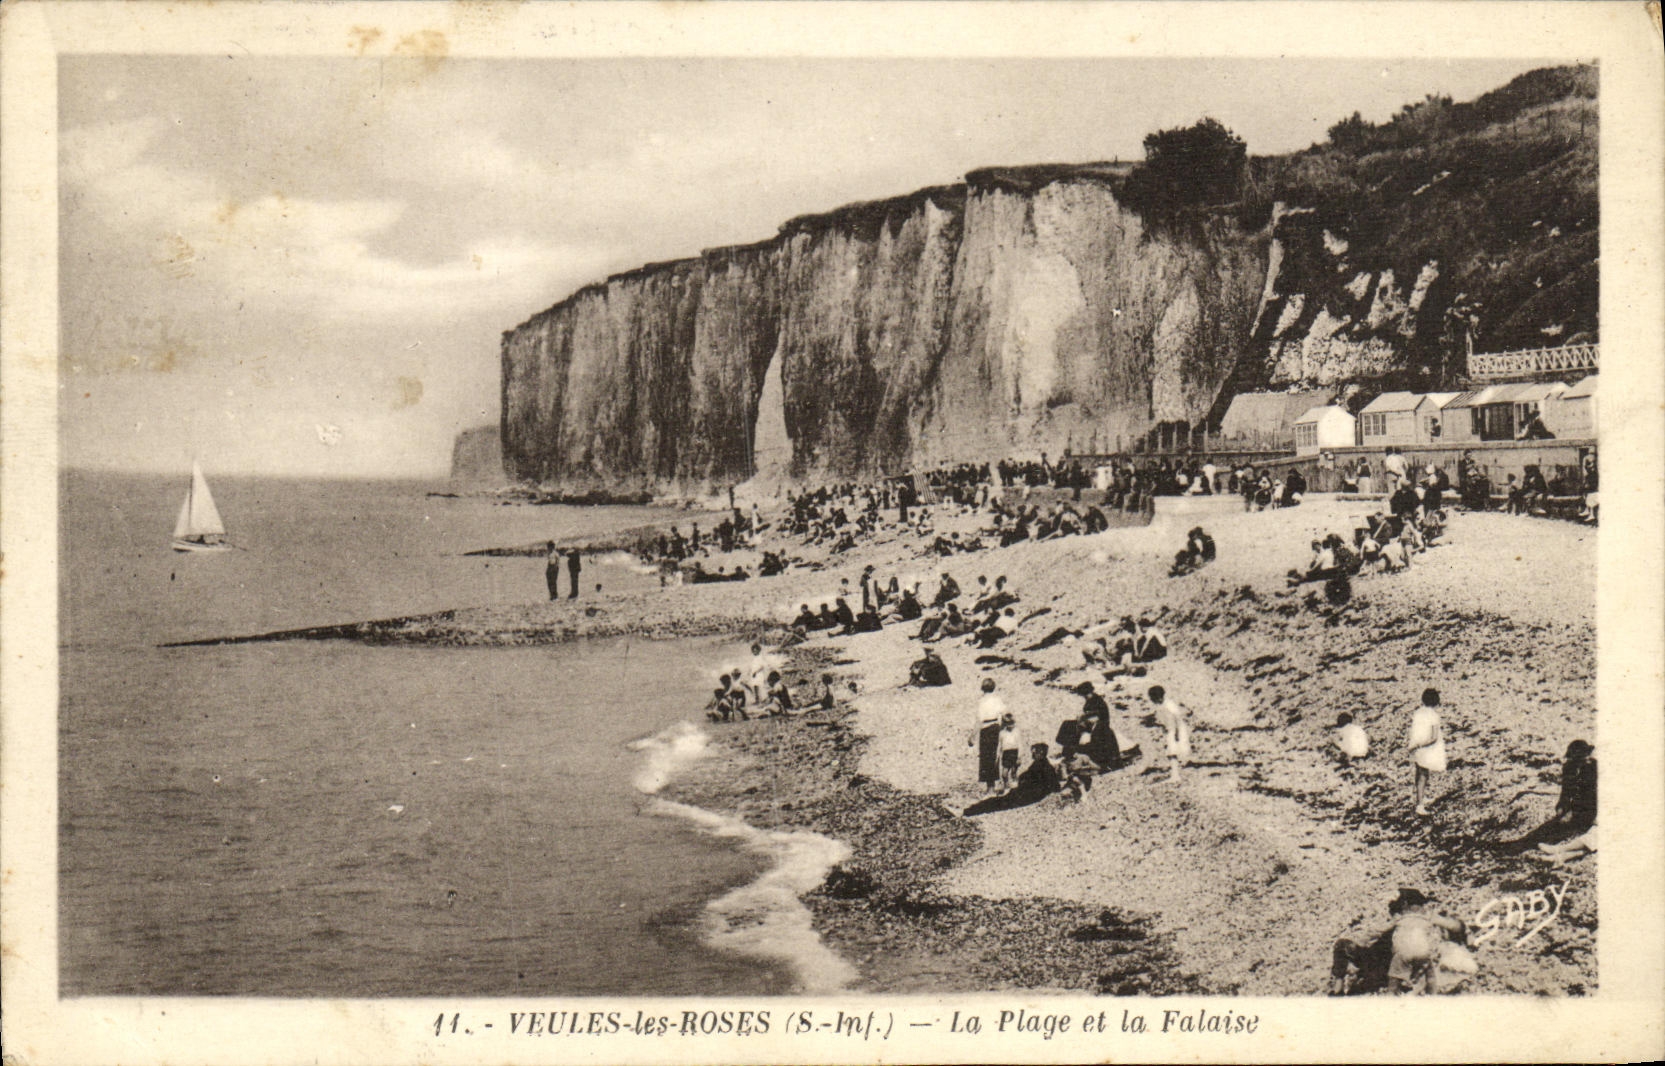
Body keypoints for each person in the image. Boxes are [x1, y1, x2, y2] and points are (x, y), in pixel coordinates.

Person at [1330, 888, 1471, 996]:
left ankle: (1338, 990)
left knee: (1342, 945)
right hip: (1408, 967)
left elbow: (1371, 935)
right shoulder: (1429, 917)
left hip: (1382, 967)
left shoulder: (1397, 919)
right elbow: (1455, 926)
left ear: (1405, 904)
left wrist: (1360, 942)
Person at [1504, 739, 1596, 853]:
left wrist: (1573, 813)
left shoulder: (1592, 769)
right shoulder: (1568, 768)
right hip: (1573, 810)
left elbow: (1590, 798)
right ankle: (1520, 844)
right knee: (1547, 828)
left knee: (1559, 831)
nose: (1586, 760)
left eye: (1586, 757)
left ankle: (1533, 846)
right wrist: (1561, 807)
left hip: (1588, 811)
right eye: (1580, 758)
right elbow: (1566, 792)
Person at [963, 743, 1061, 816]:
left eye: (1034, 752)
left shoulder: (1038, 766)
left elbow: (1027, 780)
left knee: (998, 803)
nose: (1032, 755)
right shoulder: (1046, 766)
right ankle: (971, 810)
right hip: (1031, 794)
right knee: (998, 802)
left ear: (1040, 753)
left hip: (1027, 795)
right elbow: (1055, 785)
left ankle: (969, 811)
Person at [1407, 688, 1446, 816]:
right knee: (1423, 775)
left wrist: (1415, 745)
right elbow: (1434, 738)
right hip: (1426, 748)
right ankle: (1419, 805)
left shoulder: (1418, 712)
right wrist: (1422, 745)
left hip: (1417, 747)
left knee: (1419, 774)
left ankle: (1420, 798)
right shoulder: (1434, 715)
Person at [970, 678, 1005, 794]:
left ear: (982, 689)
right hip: (996, 727)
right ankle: (995, 785)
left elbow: (979, 720)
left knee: (986, 757)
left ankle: (990, 787)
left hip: (986, 729)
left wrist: (972, 736)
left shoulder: (982, 701)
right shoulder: (998, 700)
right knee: (994, 756)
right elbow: (1004, 714)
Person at [1149, 685, 1191, 772]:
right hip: (1171, 730)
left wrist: (1176, 733)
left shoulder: (1169, 705)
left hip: (1176, 730)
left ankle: (1175, 774)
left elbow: (1177, 718)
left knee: (1173, 752)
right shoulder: (1164, 705)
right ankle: (1175, 772)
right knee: (1172, 752)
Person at [997, 712, 1023, 792]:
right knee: (1004, 773)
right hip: (1006, 754)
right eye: (1008, 723)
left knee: (1013, 772)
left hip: (1014, 752)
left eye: (1012, 723)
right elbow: (1000, 745)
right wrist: (997, 756)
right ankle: (1006, 785)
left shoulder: (1016, 731)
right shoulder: (1002, 733)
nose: (1010, 725)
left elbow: (1020, 744)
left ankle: (1016, 788)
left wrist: (1019, 757)